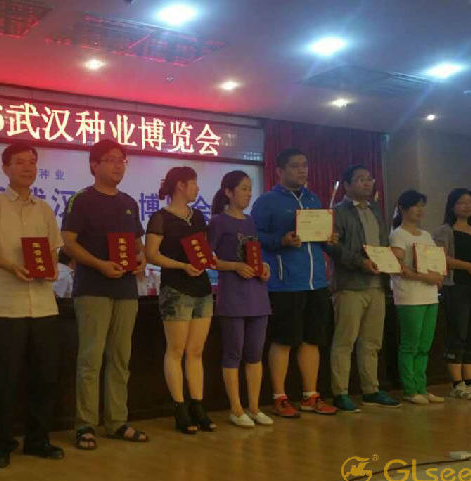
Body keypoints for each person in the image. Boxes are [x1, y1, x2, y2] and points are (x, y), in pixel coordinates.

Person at [0, 142, 64, 469]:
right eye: (20, 162)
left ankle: (38, 440)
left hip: (44, 306)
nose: (27, 168)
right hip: (7, 307)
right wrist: (10, 266)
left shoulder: (45, 209)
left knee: (45, 378)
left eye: (32, 162)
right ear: (5, 168)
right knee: (4, 379)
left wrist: (51, 268)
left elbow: (52, 250)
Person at [62, 139, 149, 450]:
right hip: (93, 288)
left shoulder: (129, 202)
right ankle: (85, 424)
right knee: (91, 358)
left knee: (120, 358)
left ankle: (117, 421)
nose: (118, 165)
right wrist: (99, 264)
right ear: (93, 165)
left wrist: (142, 259)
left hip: (126, 290)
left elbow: (138, 244)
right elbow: (68, 242)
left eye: (122, 159)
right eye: (110, 159)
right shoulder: (81, 200)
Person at [250, 148, 338, 417]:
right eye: (295, 166)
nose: (302, 170)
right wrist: (281, 240)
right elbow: (253, 237)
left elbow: (319, 238)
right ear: (279, 170)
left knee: (312, 340)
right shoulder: (267, 202)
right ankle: (279, 397)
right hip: (285, 281)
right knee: (284, 340)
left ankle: (310, 396)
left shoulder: (313, 199)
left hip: (316, 282)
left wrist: (329, 238)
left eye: (305, 165)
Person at [144, 166, 216, 434]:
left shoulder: (197, 216)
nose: (197, 188)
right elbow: (151, 254)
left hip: (202, 288)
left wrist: (210, 261)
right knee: (176, 350)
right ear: (180, 186)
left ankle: (198, 404)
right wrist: (182, 266)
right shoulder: (160, 217)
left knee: (196, 351)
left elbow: (203, 249)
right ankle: (179, 407)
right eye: (193, 183)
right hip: (176, 288)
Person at [326, 165, 400, 412]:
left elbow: (382, 243)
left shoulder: (376, 209)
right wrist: (360, 262)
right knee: (344, 341)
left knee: (371, 342)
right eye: (360, 179)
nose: (367, 183)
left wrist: (389, 260)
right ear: (347, 185)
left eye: (369, 179)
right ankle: (340, 392)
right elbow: (332, 247)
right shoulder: (338, 212)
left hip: (376, 285)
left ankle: (371, 390)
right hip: (350, 285)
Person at [208, 170, 274, 428]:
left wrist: (264, 267)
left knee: (255, 353)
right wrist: (233, 266)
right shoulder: (218, 222)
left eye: (249, 188)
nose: (248, 193)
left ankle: (254, 407)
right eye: (243, 188)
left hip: (257, 294)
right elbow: (207, 258)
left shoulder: (250, 221)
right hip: (233, 295)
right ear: (228, 192)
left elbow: (255, 254)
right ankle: (236, 409)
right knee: (233, 352)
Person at [433, 188, 471, 400]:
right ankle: (456, 383)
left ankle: (470, 380)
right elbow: (441, 258)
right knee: (457, 333)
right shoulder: (444, 231)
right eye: (461, 202)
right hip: (456, 286)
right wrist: (469, 266)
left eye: (470, 202)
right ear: (452, 206)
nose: (467, 206)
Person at [389, 190, 445, 405]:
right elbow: (398, 268)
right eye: (415, 205)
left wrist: (438, 274)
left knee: (424, 346)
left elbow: (434, 261)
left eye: (422, 205)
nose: (420, 209)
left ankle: (422, 386)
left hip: (430, 294)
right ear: (402, 208)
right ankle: (410, 389)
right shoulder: (398, 235)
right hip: (409, 295)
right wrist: (425, 277)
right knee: (410, 344)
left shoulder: (426, 235)